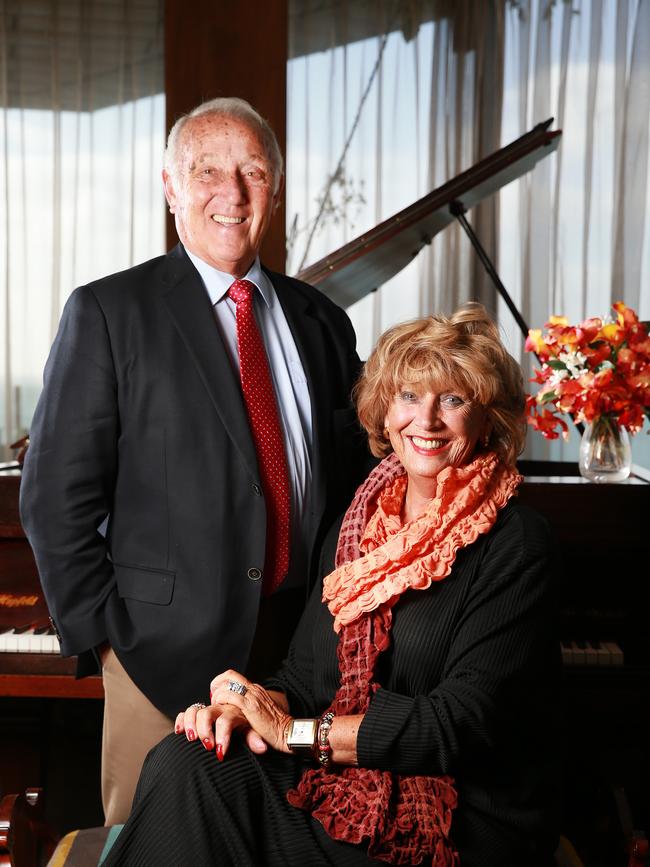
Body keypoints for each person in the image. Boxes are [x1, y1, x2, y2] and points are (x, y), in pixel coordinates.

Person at [103, 303, 562, 867]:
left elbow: (458, 726)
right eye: (409, 396)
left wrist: (292, 732)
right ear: (382, 410)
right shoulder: (357, 518)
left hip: (460, 813)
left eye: (453, 399)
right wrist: (248, 706)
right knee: (186, 759)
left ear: (488, 417)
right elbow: (304, 674)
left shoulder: (516, 540)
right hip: (345, 780)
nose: (427, 420)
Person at [19, 97, 368, 825]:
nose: (231, 192)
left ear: (274, 187)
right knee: (156, 840)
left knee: (288, 839)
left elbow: (351, 490)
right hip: (160, 664)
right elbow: (54, 498)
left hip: (301, 658)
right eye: (207, 169)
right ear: (171, 185)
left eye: (252, 171)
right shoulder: (109, 313)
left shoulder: (323, 324)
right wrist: (113, 643)